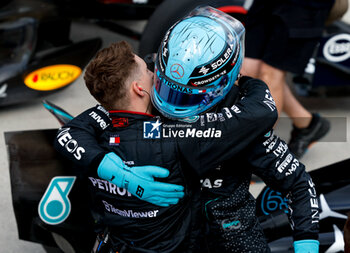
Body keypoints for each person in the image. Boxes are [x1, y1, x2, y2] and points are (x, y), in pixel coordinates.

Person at [54, 7, 320, 252]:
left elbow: (297, 183)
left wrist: (306, 243)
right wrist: (110, 169)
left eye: (191, 95)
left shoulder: (245, 120)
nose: (172, 105)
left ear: (223, 83)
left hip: (230, 238)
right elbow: (74, 131)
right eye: (168, 87)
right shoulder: (150, 85)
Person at [241, 0, 332, 159]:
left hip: (302, 6)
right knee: (248, 70)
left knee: (271, 73)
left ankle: (262, 153)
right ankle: (308, 124)